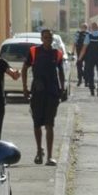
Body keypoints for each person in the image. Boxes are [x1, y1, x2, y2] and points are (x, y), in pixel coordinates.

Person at [21, 29, 66, 166]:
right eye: (45, 37)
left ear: (52, 39)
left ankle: (50, 157)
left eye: (50, 38)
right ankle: (39, 151)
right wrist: (25, 87)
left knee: (49, 124)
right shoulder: (34, 51)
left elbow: (61, 73)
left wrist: (62, 89)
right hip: (37, 92)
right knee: (36, 124)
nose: (47, 40)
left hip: (52, 93)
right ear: (41, 38)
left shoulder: (57, 54)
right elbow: (24, 68)